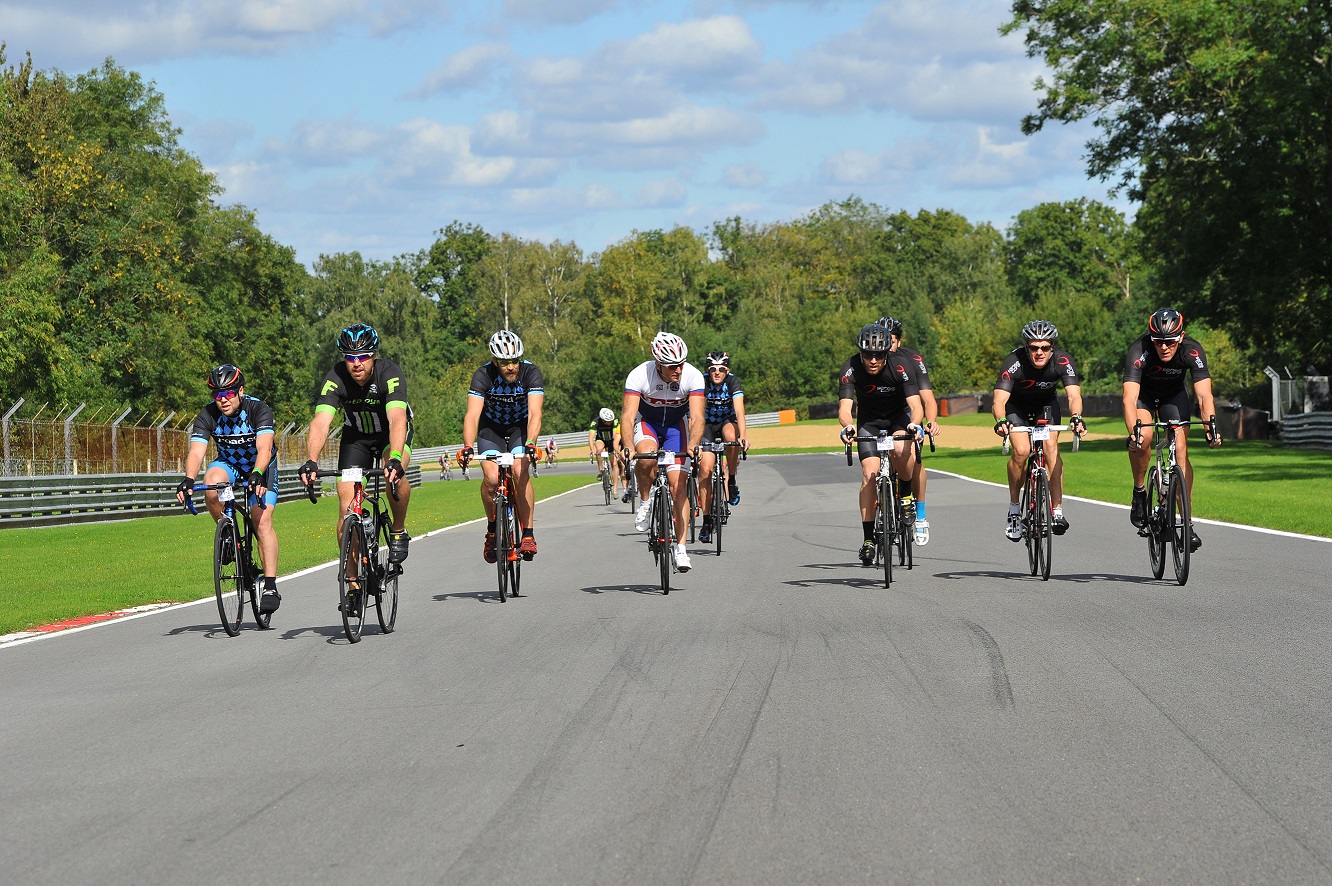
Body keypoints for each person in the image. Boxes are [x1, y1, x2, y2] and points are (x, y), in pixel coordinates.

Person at [298, 323, 414, 569]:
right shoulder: (336, 377)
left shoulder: (389, 372)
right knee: (346, 507)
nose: (356, 363)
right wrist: (311, 460)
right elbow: (321, 422)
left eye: (363, 356)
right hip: (357, 438)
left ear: (374, 355)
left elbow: (397, 419)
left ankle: (398, 530)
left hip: (390, 435)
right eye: (350, 357)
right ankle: (352, 581)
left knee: (394, 476)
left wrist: (395, 456)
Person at [176, 364, 283, 613]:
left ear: (240, 391)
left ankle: (270, 585)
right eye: (217, 394)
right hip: (230, 465)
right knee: (212, 483)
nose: (222, 399)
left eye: (228, 393)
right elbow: (197, 451)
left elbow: (264, 448)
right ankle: (228, 534)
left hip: (261, 466)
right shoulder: (208, 414)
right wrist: (189, 479)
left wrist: (258, 474)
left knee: (261, 520)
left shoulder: (258, 409)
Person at [1122, 308, 1221, 551]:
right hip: (1144, 397)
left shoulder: (1192, 350)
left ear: (1181, 336)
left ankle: (1186, 523)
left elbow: (1204, 395)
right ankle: (1139, 491)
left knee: (1181, 448)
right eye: (1158, 341)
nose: (1164, 347)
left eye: (1170, 341)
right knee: (1144, 437)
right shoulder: (1139, 350)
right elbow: (1129, 398)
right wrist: (1133, 432)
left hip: (1173, 396)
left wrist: (1210, 427)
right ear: (1151, 338)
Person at [991, 320, 1086, 542]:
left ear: (1052, 347)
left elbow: (1074, 395)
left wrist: (1076, 416)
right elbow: (999, 400)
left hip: (1046, 406)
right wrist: (1001, 420)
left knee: (1051, 446)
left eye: (1045, 347)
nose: (1039, 352)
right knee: (1022, 451)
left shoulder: (1063, 360)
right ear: (1027, 347)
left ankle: (1057, 511)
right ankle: (1014, 510)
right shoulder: (1014, 362)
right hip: (1016, 407)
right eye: (1034, 347)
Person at [838, 324, 925, 565]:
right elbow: (845, 408)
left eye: (878, 355)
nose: (873, 360)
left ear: (887, 352)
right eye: (868, 355)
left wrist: (915, 424)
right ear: (861, 353)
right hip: (869, 422)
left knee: (900, 449)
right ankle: (868, 539)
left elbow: (916, 405)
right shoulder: (851, 368)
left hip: (899, 418)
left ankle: (905, 494)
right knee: (869, 474)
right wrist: (848, 426)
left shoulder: (901, 366)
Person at [621, 331, 705, 572]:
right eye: (671, 366)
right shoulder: (639, 374)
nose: (678, 370)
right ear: (657, 363)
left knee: (679, 486)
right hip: (648, 423)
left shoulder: (693, 375)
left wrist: (693, 445)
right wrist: (628, 447)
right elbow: (627, 415)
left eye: (681, 364)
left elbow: (697, 417)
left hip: (677, 427)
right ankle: (645, 501)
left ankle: (681, 549)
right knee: (646, 458)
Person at [460, 330, 545, 562]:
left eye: (515, 360)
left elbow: (535, 413)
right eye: (505, 362)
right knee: (491, 478)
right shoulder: (483, 375)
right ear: (495, 361)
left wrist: (531, 442)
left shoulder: (531, 373)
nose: (511, 367)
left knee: (519, 471)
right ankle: (492, 531)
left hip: (520, 429)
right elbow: (472, 415)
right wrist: (467, 446)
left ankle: (528, 534)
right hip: (491, 429)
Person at [879, 316, 938, 545]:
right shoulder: (871, 360)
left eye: (891, 341)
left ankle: (920, 514)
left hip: (908, 413)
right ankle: (883, 507)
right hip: (880, 415)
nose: (886, 346)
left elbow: (928, 399)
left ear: (899, 341)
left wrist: (930, 421)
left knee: (915, 460)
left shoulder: (912, 360)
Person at [697, 350, 749, 545]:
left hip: (727, 421)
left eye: (721, 369)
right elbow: (696, 413)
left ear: (727, 370)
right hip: (707, 425)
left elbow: (740, 412)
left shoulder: (733, 382)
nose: (717, 372)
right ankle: (706, 521)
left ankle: (732, 480)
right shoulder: (702, 382)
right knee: (705, 469)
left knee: (731, 437)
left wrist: (743, 437)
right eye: (713, 369)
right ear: (708, 370)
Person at [587, 407, 623, 498]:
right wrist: (592, 450)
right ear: (603, 420)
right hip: (601, 439)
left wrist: (616, 449)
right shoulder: (595, 422)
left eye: (611, 420)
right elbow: (591, 438)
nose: (610, 422)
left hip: (611, 441)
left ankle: (615, 489)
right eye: (608, 421)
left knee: (614, 464)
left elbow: (615, 435)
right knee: (599, 449)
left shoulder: (615, 421)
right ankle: (601, 470)